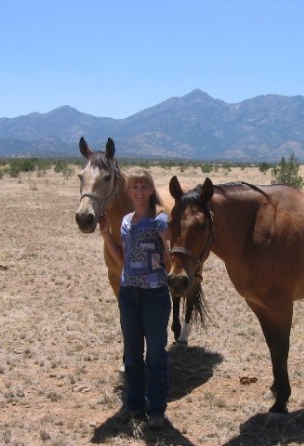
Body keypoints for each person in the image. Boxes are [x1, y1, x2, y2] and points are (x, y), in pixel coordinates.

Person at [99, 169, 171, 431]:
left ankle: (157, 410)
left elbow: (170, 253)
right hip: (129, 293)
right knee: (131, 354)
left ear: (151, 190)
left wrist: (162, 271)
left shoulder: (161, 220)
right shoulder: (127, 221)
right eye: (134, 187)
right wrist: (107, 233)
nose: (139, 190)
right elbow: (124, 261)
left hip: (154, 296)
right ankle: (133, 404)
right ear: (128, 192)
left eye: (144, 186)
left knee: (155, 355)